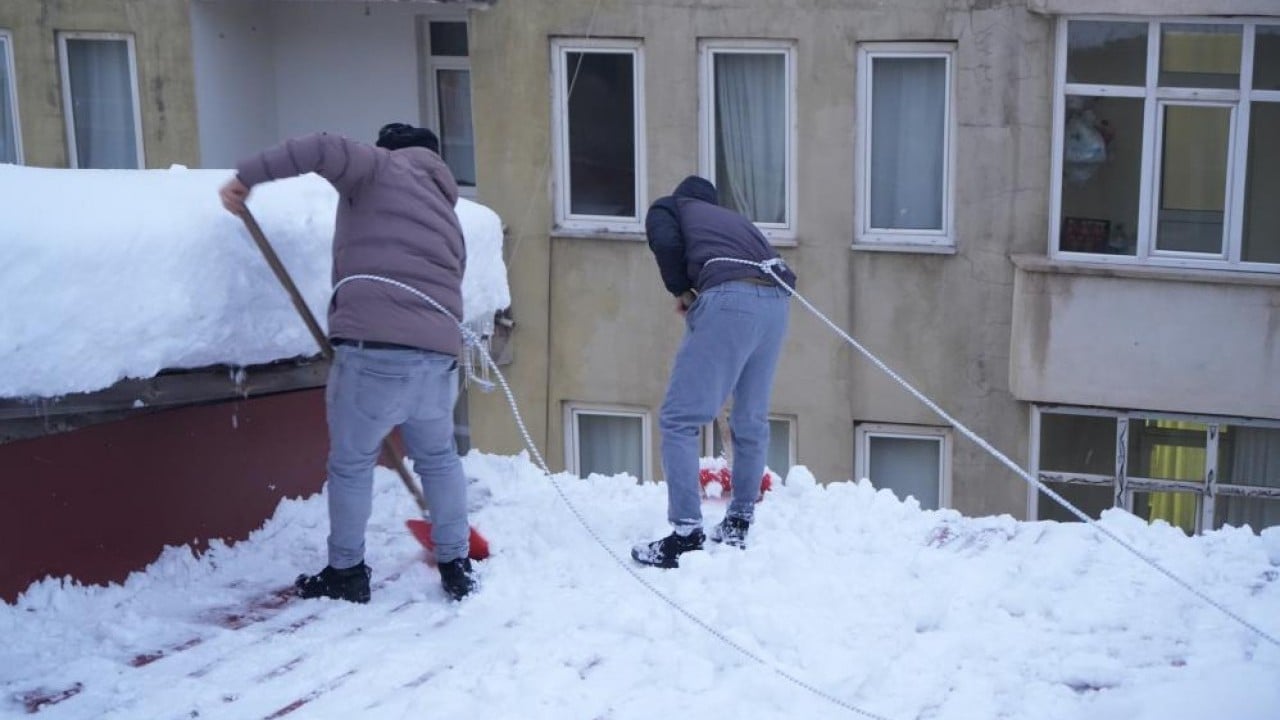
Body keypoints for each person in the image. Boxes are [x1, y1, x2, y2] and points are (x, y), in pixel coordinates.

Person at [219, 123, 477, 602]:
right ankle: (456, 563)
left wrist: (246, 177)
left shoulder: (378, 166)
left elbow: (318, 147)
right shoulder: (447, 214)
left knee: (352, 465)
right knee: (440, 460)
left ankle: (347, 573)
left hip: (374, 351)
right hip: (439, 358)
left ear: (389, 150)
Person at [631, 175, 795, 569]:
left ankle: (686, 533)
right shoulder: (735, 222)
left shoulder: (672, 207)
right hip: (777, 302)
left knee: (679, 418)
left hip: (730, 297)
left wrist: (682, 291)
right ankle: (739, 520)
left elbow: (665, 241)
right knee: (750, 416)